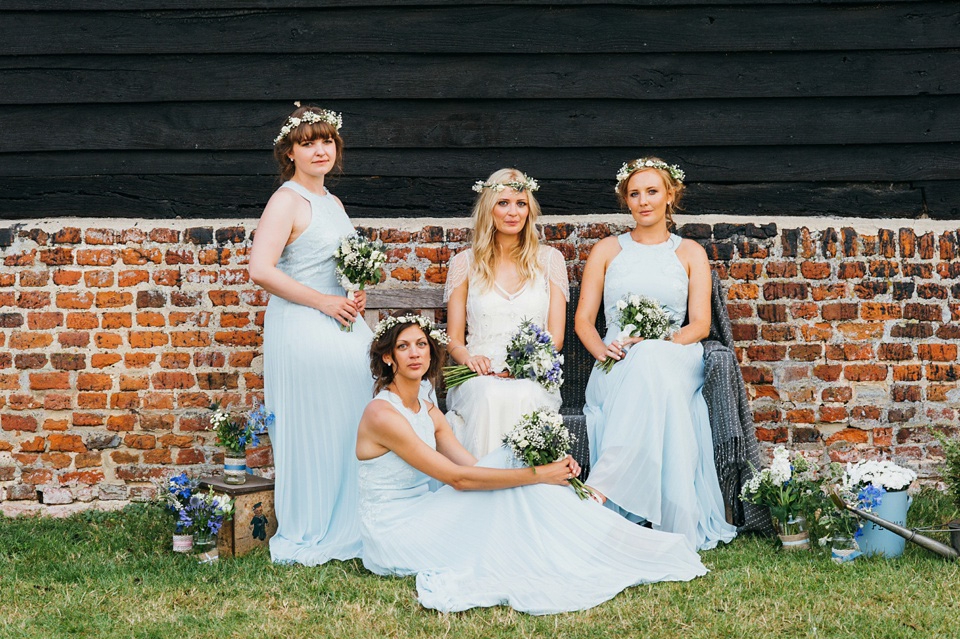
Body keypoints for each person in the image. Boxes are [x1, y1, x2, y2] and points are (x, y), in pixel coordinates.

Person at [355, 315, 707, 615]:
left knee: (510, 462)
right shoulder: (382, 414)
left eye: (421, 344)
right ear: (388, 358)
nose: (415, 353)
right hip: (396, 532)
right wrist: (540, 475)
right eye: (403, 347)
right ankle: (591, 542)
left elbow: (477, 466)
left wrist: (538, 473)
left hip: (425, 510)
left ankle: (589, 542)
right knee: (518, 476)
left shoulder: (430, 411)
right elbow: (457, 478)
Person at [574, 158, 737, 551]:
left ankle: (604, 489)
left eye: (652, 192)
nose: (643, 201)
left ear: (670, 196)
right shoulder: (607, 250)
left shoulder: (691, 252)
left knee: (649, 357)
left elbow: (699, 324)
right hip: (617, 364)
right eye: (634, 194)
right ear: (625, 202)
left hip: (676, 355)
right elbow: (583, 321)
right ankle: (648, 508)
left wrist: (658, 342)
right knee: (642, 364)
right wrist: (604, 351)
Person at [248, 105, 371, 565]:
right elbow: (260, 269)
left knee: (352, 419)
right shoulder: (286, 201)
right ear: (289, 152)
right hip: (302, 324)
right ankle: (317, 520)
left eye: (327, 141)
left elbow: (343, 264)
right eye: (308, 142)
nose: (320, 150)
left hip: (342, 318)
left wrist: (354, 290)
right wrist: (322, 301)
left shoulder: (333, 204)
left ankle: (355, 513)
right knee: (318, 423)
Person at [444, 169, 568, 457]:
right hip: (479, 374)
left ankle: (524, 489)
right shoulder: (464, 263)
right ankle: (485, 488)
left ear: (530, 210)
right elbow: (453, 339)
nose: (513, 212)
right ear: (489, 208)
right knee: (489, 394)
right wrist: (469, 359)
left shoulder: (550, 260)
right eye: (503, 203)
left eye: (521, 203)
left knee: (524, 394)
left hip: (530, 375)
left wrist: (523, 367)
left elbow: (556, 337)